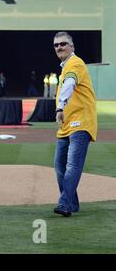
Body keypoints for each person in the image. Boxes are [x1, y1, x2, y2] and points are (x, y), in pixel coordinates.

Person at [52, 31, 97, 217]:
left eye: (63, 44)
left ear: (72, 47)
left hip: (80, 122)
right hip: (67, 125)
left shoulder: (75, 63)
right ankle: (72, 203)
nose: (59, 47)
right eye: (56, 45)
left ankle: (64, 203)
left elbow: (70, 83)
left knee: (72, 166)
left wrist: (60, 107)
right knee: (59, 166)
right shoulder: (65, 66)